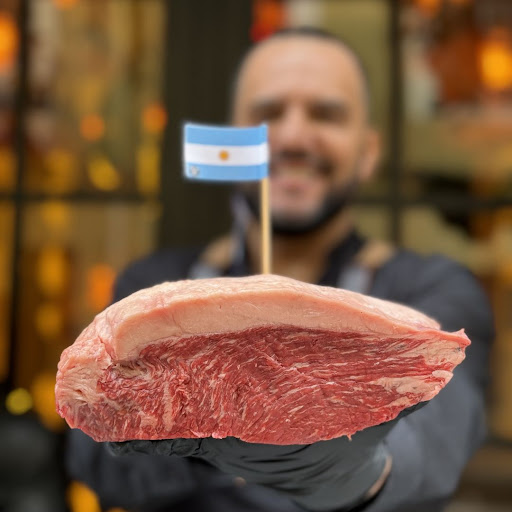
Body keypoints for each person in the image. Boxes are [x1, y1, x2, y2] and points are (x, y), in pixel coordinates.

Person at [66, 27, 494, 512]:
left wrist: (357, 474)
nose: (290, 137)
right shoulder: (150, 284)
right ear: (234, 137)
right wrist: (212, 411)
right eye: (267, 114)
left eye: (326, 114)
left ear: (368, 152)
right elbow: (96, 454)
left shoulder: (430, 288)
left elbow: (440, 442)